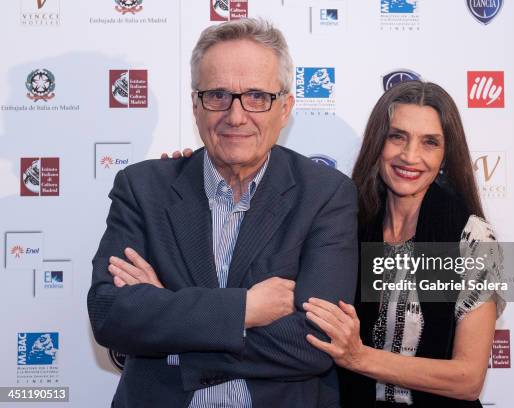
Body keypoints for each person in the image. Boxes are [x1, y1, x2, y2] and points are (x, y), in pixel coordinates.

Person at [87, 18, 358, 408]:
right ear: (195, 106)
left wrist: (170, 319)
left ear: (284, 108)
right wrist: (245, 309)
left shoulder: (325, 195)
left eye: (256, 97)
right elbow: (111, 314)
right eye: (217, 95)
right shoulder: (142, 188)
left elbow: (313, 343)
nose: (235, 115)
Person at [302, 81, 506, 407]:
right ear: (377, 142)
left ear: (445, 155)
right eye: (397, 136)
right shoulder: (345, 225)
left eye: (430, 143)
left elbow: (468, 379)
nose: (410, 156)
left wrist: (358, 356)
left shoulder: (469, 236)